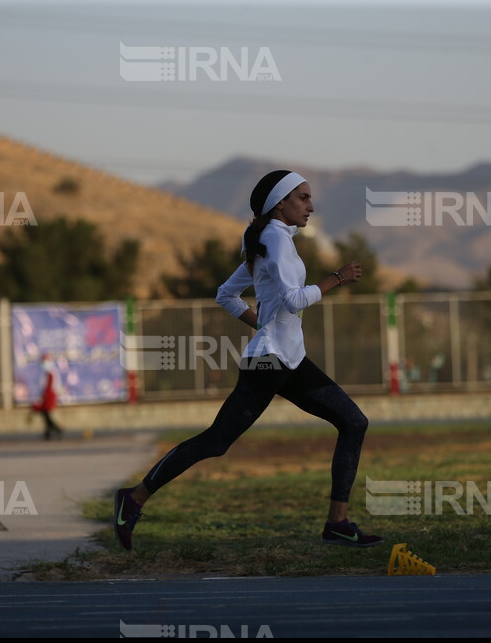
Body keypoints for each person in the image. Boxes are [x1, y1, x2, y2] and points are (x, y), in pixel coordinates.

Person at [113, 170, 381, 550]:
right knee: (216, 441)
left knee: (353, 422)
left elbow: (226, 294)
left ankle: (338, 522)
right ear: (280, 203)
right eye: (303, 198)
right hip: (268, 363)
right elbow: (293, 300)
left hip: (288, 359)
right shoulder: (275, 238)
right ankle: (133, 498)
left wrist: (262, 324)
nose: (311, 205)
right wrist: (335, 278)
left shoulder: (272, 239)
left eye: (309, 198)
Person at [31, 353, 63, 440]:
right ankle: (49, 432)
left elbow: (53, 385)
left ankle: (55, 430)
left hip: (49, 395)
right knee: (45, 414)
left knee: (46, 414)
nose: (43, 363)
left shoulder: (52, 372)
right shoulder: (43, 372)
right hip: (45, 395)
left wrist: (45, 396)